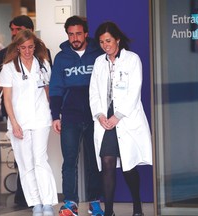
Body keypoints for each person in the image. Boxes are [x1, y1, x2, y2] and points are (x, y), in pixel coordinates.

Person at [89, 21, 153, 216]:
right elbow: (93, 92)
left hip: (125, 118)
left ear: (117, 39)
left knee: (128, 165)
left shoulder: (132, 59)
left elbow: (134, 91)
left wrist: (117, 116)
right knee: (107, 163)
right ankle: (109, 211)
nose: (105, 45)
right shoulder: (100, 62)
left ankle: (137, 206)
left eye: (108, 40)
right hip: (105, 120)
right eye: (101, 42)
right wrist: (100, 115)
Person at [0, 15, 52, 207]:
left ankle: (48, 203)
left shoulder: (43, 64)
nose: (27, 51)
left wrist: (55, 114)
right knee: (26, 164)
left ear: (35, 46)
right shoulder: (8, 68)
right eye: (23, 47)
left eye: (31, 47)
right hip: (20, 122)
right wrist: (15, 124)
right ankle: (36, 204)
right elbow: (7, 99)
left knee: (41, 161)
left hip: (41, 119)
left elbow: (48, 92)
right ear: (18, 47)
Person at [49, 16, 104, 216]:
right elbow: (55, 89)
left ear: (86, 33)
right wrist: (56, 116)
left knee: (94, 160)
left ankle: (94, 202)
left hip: (94, 116)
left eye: (78, 33)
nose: (75, 38)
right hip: (70, 116)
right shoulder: (61, 57)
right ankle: (70, 203)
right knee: (69, 161)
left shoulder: (98, 54)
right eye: (71, 34)